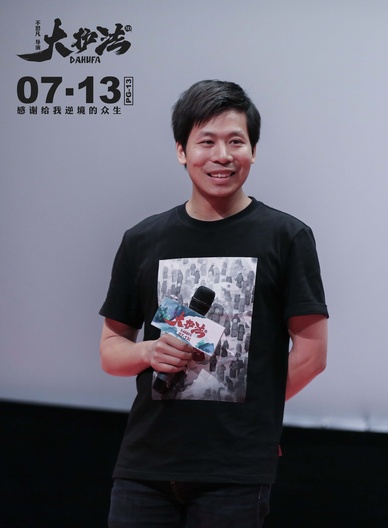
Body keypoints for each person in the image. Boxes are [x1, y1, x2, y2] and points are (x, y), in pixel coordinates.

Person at [99, 79, 328, 527]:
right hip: (145, 464)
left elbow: (312, 355)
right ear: (182, 151)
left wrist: (259, 416)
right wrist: (149, 351)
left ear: (253, 151)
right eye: (206, 142)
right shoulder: (143, 239)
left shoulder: (286, 237)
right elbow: (111, 350)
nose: (221, 155)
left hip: (234, 470)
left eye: (235, 141)